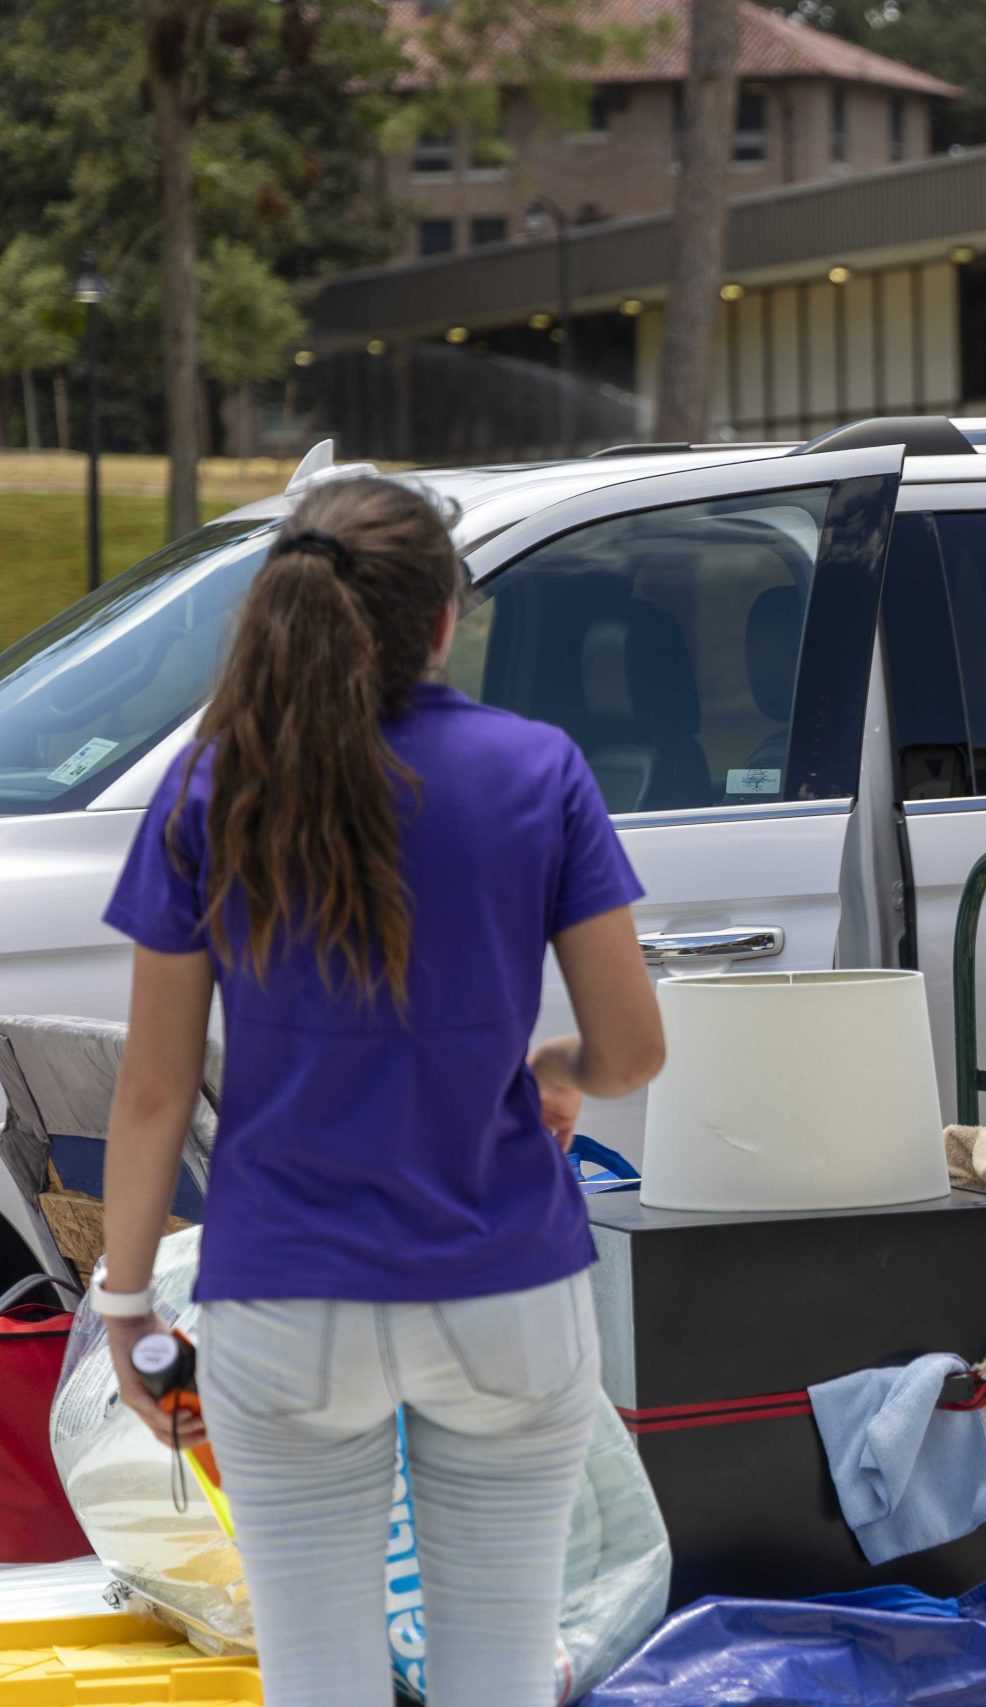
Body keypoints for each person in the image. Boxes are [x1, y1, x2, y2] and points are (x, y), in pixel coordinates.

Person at [94, 478, 667, 1707]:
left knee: (318, 1676)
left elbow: (150, 1092)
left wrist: (127, 1309)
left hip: (284, 1295)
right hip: (506, 1284)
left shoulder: (212, 786)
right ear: (446, 616)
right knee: (501, 1668)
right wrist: (552, 1072)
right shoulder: (537, 769)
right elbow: (630, 1052)